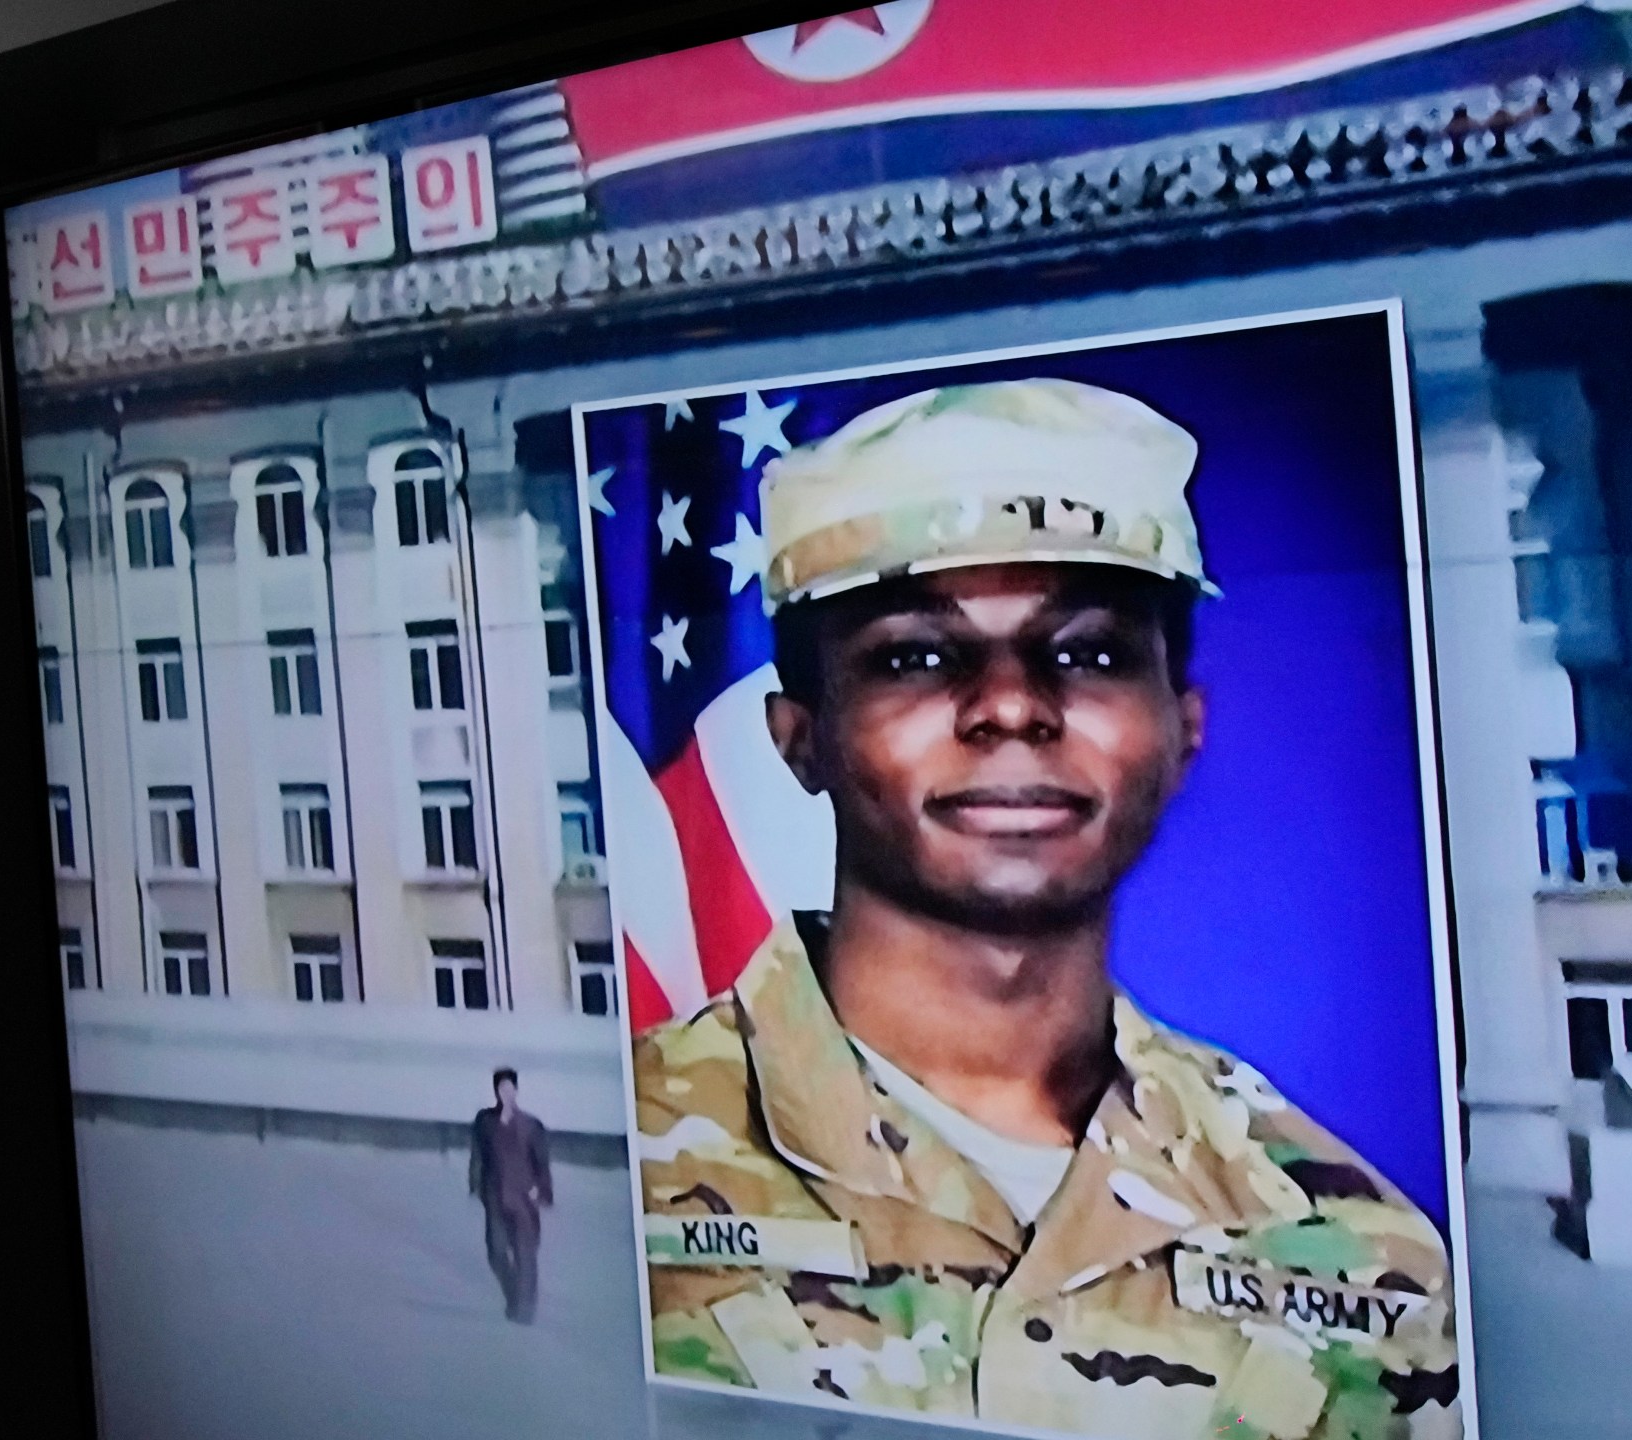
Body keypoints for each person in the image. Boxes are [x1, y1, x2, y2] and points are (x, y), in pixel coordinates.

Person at [632, 380, 1459, 1438]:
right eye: (915, 655)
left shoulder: (1357, 1242)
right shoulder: (629, 1161)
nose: (1013, 704)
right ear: (799, 738)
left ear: (1182, 729)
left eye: (1090, 651)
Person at [468, 1067, 552, 1325]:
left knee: (525, 1254)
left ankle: (525, 1310)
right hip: (494, 1196)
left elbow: (541, 1162)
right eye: (500, 1088)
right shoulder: (485, 1121)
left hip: (524, 1198)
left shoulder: (531, 1125)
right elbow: (478, 1155)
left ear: (516, 1090)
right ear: (495, 1091)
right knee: (496, 1252)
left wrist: (542, 1189)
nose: (505, 1093)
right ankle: (514, 1295)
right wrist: (476, 1185)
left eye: (509, 1088)